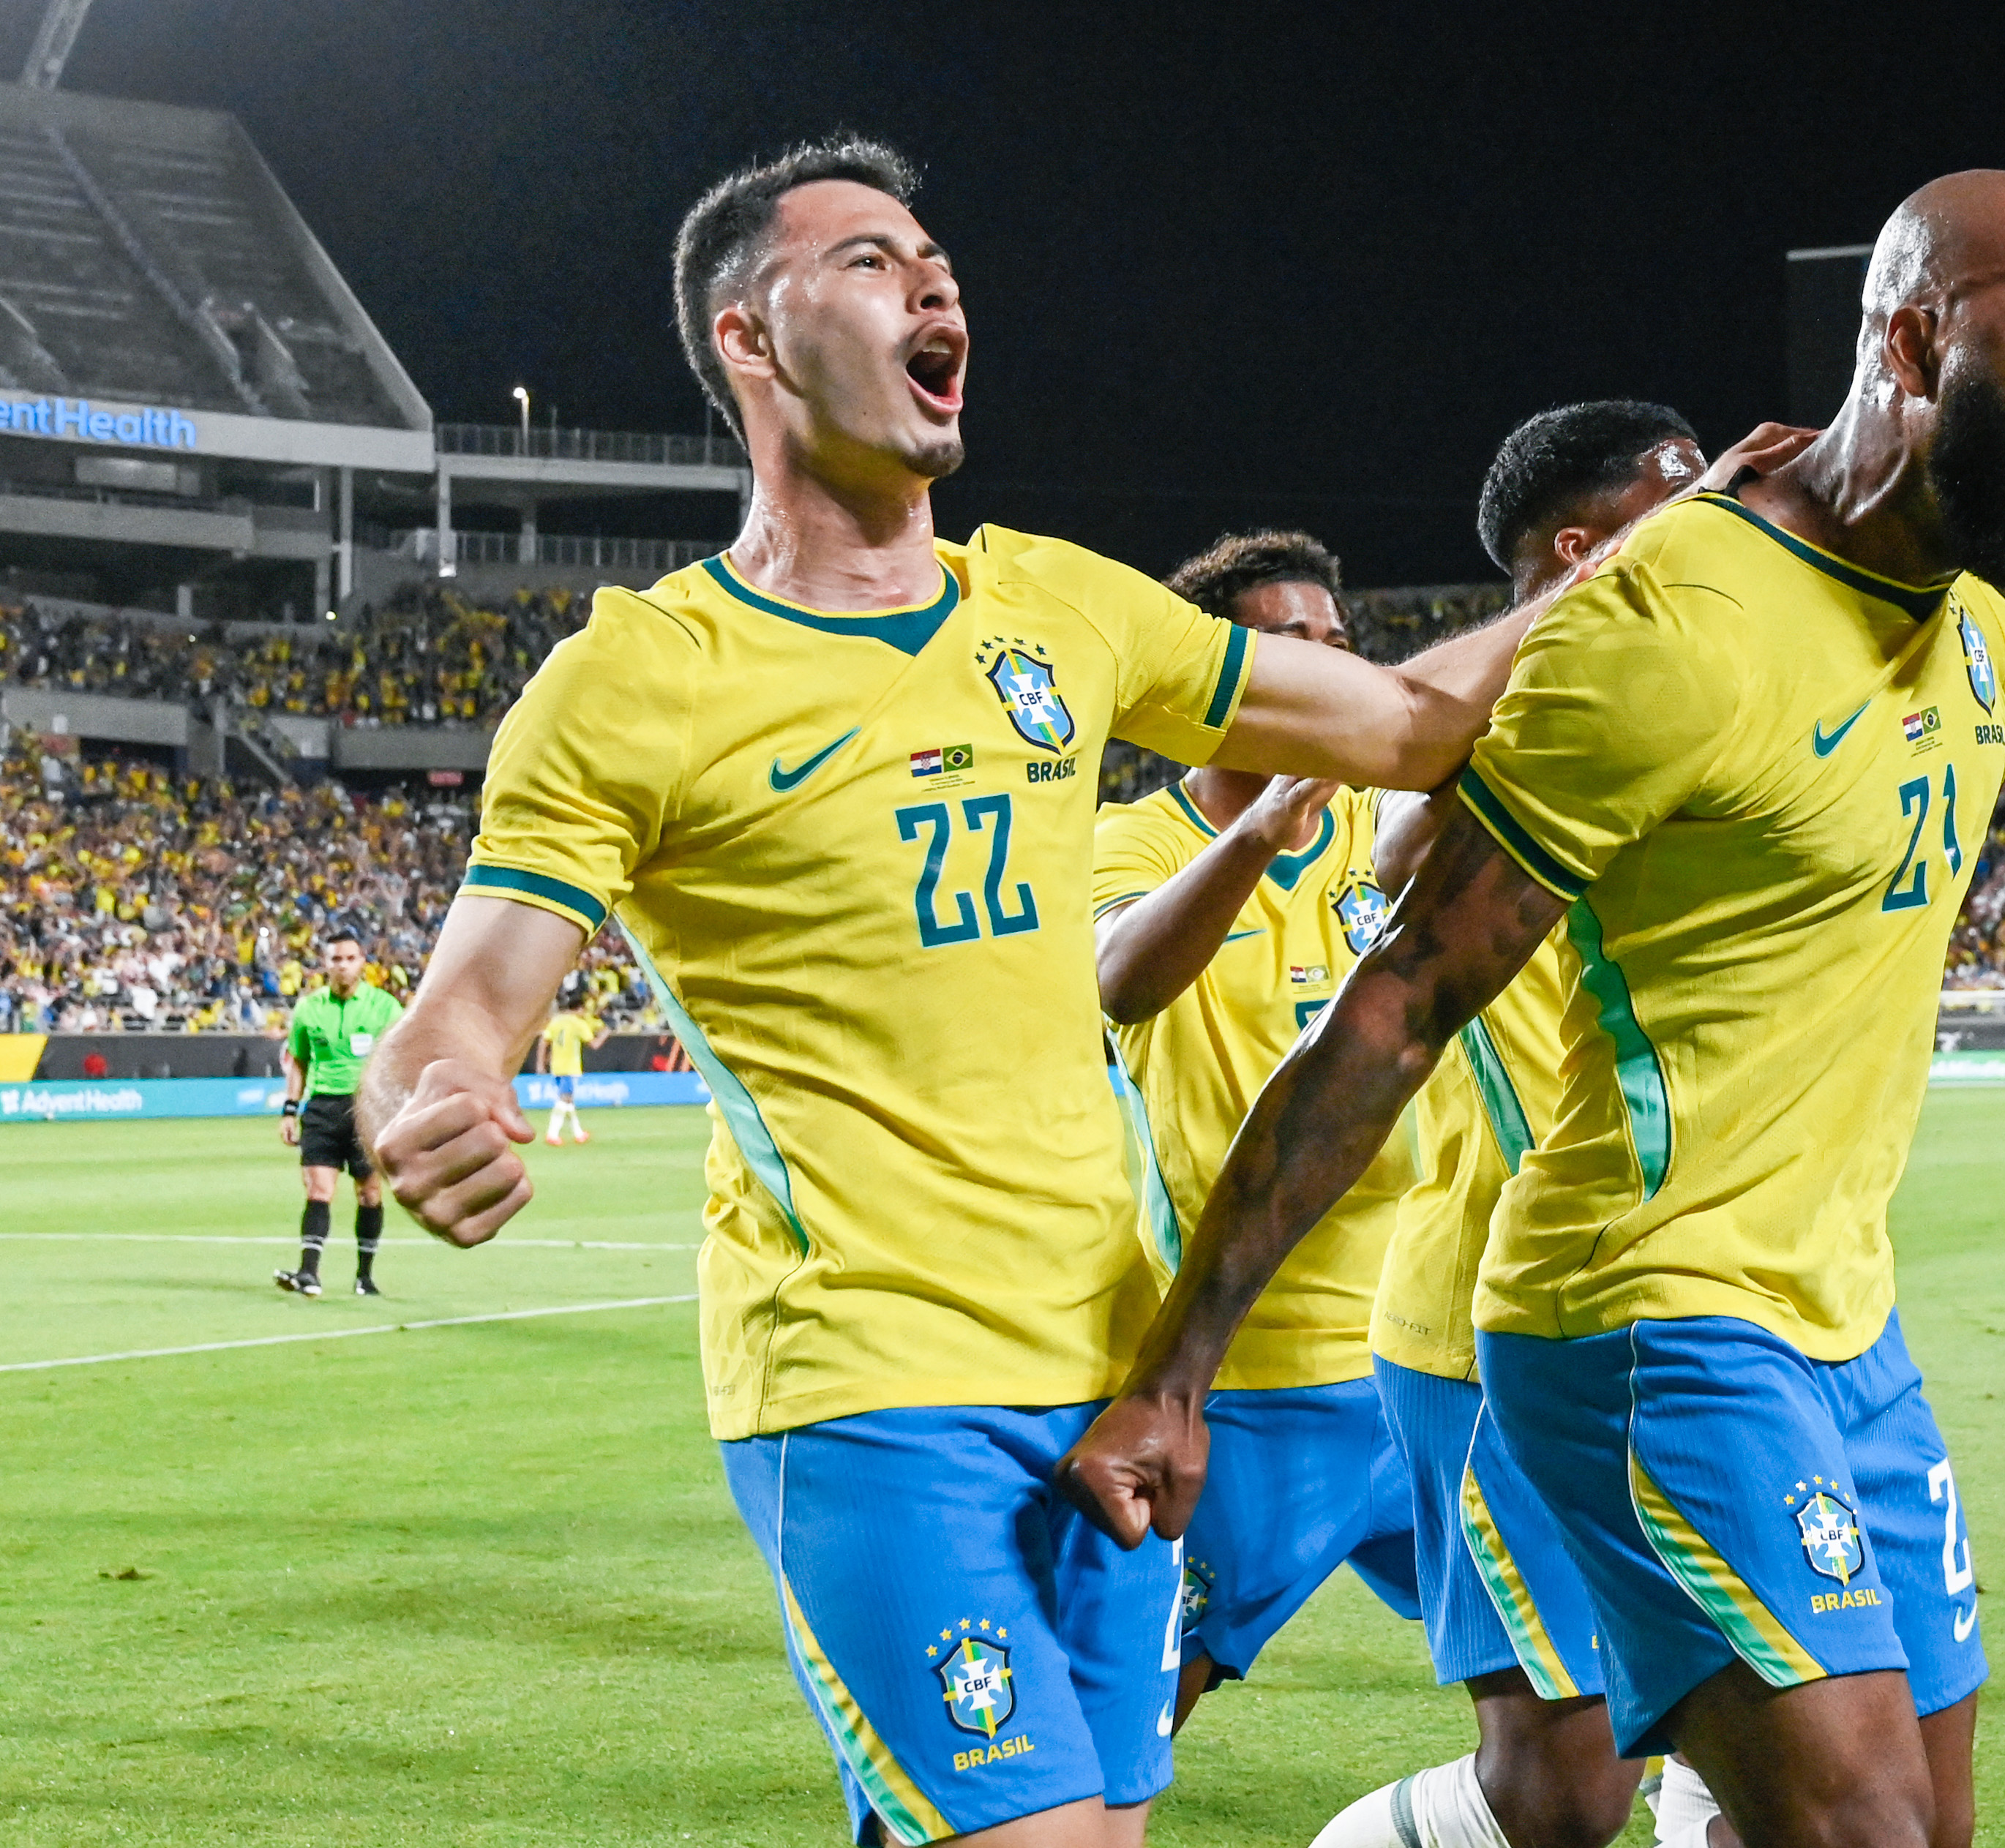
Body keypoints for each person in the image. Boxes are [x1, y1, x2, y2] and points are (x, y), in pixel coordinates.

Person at [358, 135, 1534, 1848]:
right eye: (868, 260)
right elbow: (459, 1009)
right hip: (867, 1373)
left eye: (937, 263)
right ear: (747, 337)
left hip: (1109, 1365)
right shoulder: (639, 679)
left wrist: (1676, 557)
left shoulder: (1056, 610)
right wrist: (434, 1097)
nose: (933, 282)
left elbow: (1412, 722)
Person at [1059, 169, 2005, 1848]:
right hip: (1644, 1308)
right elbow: (1401, 990)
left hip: (1844, 1319)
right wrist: (1176, 1367)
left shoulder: (1981, 642)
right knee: (1728, 1809)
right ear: (1917, 342)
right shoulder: (1678, 618)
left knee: (1915, 1821)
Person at [1317, 399, 1716, 1848]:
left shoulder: (1693, 701)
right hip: (1495, 1320)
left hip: (1696, 1303)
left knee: (1785, 1732)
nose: (1721, 532)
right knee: (1560, 1791)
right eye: (1683, 510)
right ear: (1581, 550)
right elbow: (1394, 845)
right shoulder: (1491, 737)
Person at [1092, 529, 1424, 1740]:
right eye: (1292, 644)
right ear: (1214, 674)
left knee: (1581, 1711)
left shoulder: (1388, 831)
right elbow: (1120, 978)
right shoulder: (1133, 842)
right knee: (1128, 1722)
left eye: (1340, 642)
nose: (1332, 665)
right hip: (1246, 1376)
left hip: (1424, 1353)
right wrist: (1256, 834)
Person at [274, 931, 401, 1299]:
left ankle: (365, 1277)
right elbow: (299, 1061)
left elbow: (399, 1058)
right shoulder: (309, 1009)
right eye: (336, 959)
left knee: (370, 1193)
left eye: (349, 958)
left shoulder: (384, 1007)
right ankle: (308, 1273)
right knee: (319, 1190)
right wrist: (289, 1109)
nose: (343, 966)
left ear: (362, 963)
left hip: (367, 1110)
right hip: (323, 1109)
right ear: (325, 964)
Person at [538, 1002, 609, 1146]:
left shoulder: (556, 1021)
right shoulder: (578, 1023)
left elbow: (544, 1041)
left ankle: (579, 1133)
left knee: (569, 1102)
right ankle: (552, 1134)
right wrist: (605, 1034)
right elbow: (594, 1045)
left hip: (556, 1066)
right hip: (570, 1067)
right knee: (564, 1100)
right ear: (580, 1009)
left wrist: (540, 1064)